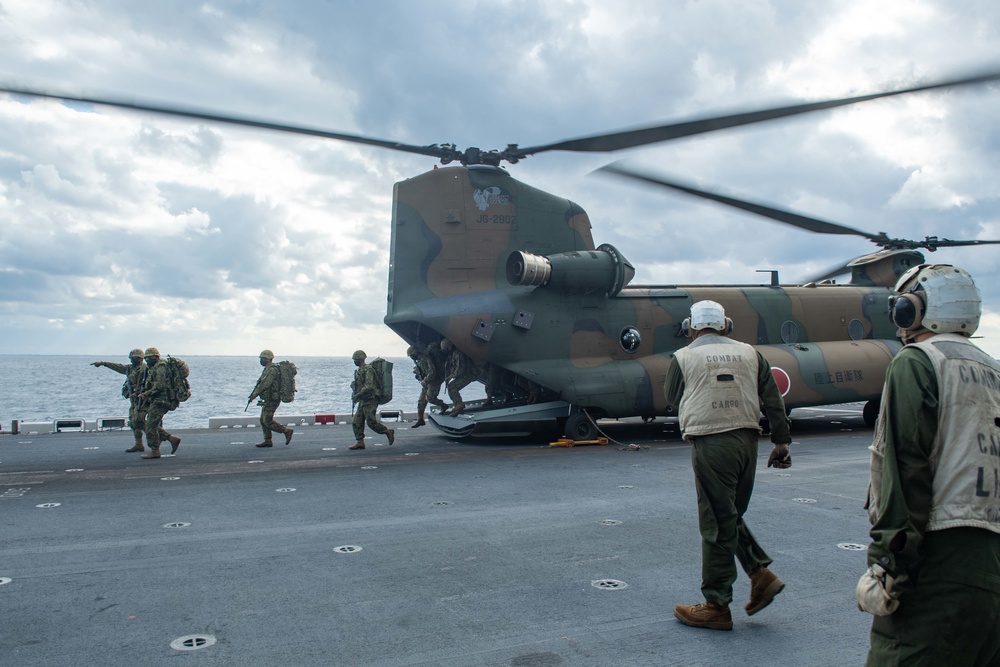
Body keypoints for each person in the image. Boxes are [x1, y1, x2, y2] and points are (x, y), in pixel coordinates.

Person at [858, 264, 1000, 665]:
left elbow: (907, 470)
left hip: (937, 562)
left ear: (914, 308)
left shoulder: (918, 361)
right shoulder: (993, 370)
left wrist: (888, 564)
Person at [663, 300, 792, 631]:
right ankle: (760, 574)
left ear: (691, 326)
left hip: (712, 442)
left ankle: (717, 605)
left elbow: (671, 395)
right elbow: (773, 398)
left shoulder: (684, 356)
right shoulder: (751, 353)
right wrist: (781, 442)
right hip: (748, 442)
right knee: (729, 515)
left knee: (716, 523)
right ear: (726, 325)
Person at [92, 348, 148, 452]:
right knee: (132, 422)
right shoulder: (129, 369)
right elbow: (117, 366)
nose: (132, 360)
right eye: (131, 358)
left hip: (144, 400)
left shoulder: (147, 369)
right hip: (134, 400)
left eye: (134, 358)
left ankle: (163, 437)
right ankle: (139, 443)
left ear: (140, 358)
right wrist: (103, 363)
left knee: (139, 421)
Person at [136, 347, 181, 460]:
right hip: (158, 400)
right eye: (145, 359)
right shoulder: (154, 367)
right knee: (151, 424)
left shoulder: (161, 367)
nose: (147, 361)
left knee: (150, 426)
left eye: (149, 358)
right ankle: (171, 438)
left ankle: (155, 450)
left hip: (161, 400)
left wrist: (147, 394)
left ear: (156, 357)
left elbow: (160, 386)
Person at [349, 350, 394, 450]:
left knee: (371, 422)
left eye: (356, 359)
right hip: (363, 399)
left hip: (370, 399)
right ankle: (360, 442)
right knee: (357, 422)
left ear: (362, 359)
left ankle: (387, 431)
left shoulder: (368, 369)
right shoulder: (359, 371)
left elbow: (370, 386)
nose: (355, 361)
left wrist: (358, 395)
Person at [247, 349, 294, 448]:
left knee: (267, 419)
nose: (261, 361)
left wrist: (254, 395)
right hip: (269, 398)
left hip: (273, 398)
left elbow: (264, 384)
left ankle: (286, 431)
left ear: (268, 359)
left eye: (263, 359)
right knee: (262, 419)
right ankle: (267, 440)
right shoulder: (268, 369)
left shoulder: (272, 370)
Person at [408, 345, 447, 428]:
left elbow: (432, 371)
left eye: (411, 355)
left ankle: (443, 405)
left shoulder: (425, 358)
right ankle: (420, 420)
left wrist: (425, 380)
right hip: (427, 383)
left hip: (434, 381)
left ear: (415, 352)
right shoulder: (418, 361)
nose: (411, 357)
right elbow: (422, 371)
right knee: (421, 401)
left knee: (430, 398)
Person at [442, 339, 475, 416]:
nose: (445, 351)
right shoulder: (452, 354)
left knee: (452, 386)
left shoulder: (458, 354)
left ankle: (459, 405)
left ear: (449, 347)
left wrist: (450, 376)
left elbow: (460, 369)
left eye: (445, 349)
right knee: (451, 387)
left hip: (469, 374)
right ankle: (458, 407)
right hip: (464, 373)